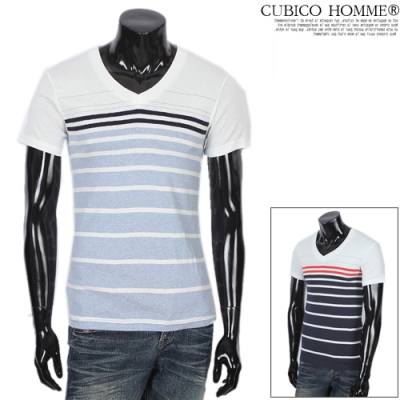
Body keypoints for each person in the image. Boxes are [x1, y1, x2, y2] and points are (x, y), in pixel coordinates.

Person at [20, 9, 250, 399]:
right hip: (101, 325)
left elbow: (228, 216)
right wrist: (41, 325)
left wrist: (232, 331)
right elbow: (39, 213)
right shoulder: (62, 83)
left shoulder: (216, 86)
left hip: (189, 329)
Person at [288, 211, 384, 397]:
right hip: (309, 365)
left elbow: (373, 316)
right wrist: (293, 358)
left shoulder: (367, 248)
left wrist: (365, 373)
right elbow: (294, 308)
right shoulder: (302, 249)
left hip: (349, 370)